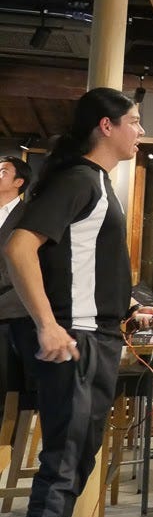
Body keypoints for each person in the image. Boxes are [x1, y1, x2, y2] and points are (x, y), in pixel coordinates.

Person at [4, 88, 153, 517]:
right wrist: (47, 324)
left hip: (98, 334)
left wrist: (130, 307)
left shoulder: (97, 182)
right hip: (75, 339)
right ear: (106, 126)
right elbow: (19, 247)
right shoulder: (77, 178)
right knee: (64, 461)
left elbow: (82, 266)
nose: (140, 131)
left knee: (79, 457)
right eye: (134, 121)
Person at [0, 155, 33, 393]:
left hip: (11, 312)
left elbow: (25, 261)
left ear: (19, 182)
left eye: (3, 171)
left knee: (7, 386)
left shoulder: (29, 215)